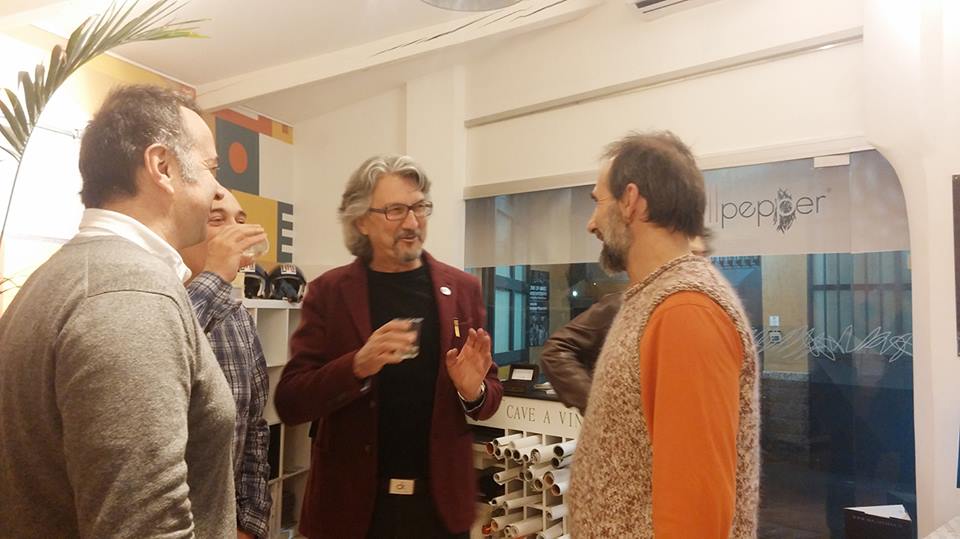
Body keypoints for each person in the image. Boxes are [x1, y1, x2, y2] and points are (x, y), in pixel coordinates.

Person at [0, 85, 236, 538]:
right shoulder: (132, 293)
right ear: (162, 166)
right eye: (210, 169)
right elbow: (144, 526)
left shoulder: (62, 276)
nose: (219, 190)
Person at [274, 154, 503, 539]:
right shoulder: (329, 292)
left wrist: (472, 390)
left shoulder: (463, 289)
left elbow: (489, 397)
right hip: (351, 509)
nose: (412, 223)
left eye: (419, 207)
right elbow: (290, 402)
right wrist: (356, 366)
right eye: (395, 211)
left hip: (439, 511)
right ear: (361, 221)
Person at [567, 132, 760, 538]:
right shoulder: (654, 298)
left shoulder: (686, 310)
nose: (591, 223)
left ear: (630, 201)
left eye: (597, 202)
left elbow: (695, 513)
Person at [180, 190, 272, 539]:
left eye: (241, 220)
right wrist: (215, 276)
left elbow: (255, 428)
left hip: (225, 523)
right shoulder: (148, 303)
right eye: (217, 220)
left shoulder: (238, 317)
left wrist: (249, 523)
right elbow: (169, 342)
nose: (236, 230)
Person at [540, 233, 712, 412]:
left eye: (702, 255)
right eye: (689, 255)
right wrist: (600, 408)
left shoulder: (700, 311)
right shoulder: (621, 306)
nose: (696, 263)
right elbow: (556, 350)